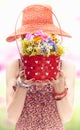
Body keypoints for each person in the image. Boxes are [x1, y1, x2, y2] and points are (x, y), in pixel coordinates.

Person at [6, 4, 76, 130]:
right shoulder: (15, 66)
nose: (38, 41)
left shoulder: (66, 67)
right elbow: (12, 117)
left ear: (52, 38)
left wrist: (59, 88)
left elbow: (66, 117)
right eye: (31, 35)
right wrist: (22, 85)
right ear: (23, 38)